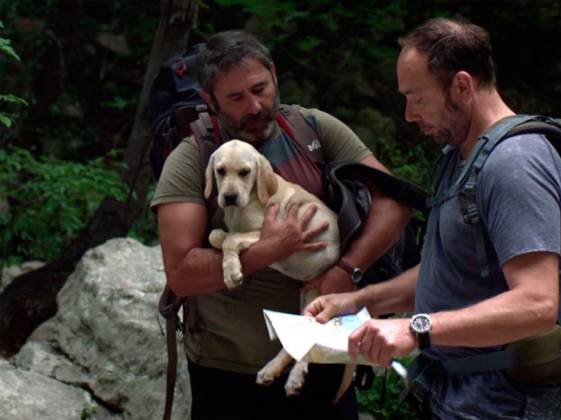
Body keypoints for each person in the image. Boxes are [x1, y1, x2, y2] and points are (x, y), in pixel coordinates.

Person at [305, 17, 561, 419]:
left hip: (502, 403)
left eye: (417, 97)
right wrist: (360, 300)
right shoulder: (462, 156)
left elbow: (536, 303)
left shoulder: (515, 165)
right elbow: (447, 269)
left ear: (462, 86)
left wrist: (414, 329)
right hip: (454, 392)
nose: (408, 115)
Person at [151, 30, 410, 420]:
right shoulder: (195, 157)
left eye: (261, 88)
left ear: (274, 75)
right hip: (229, 373)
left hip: (323, 356)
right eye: (236, 98)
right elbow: (182, 274)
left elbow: (394, 202)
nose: (255, 106)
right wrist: (271, 248)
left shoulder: (313, 130)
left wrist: (346, 270)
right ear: (210, 100)